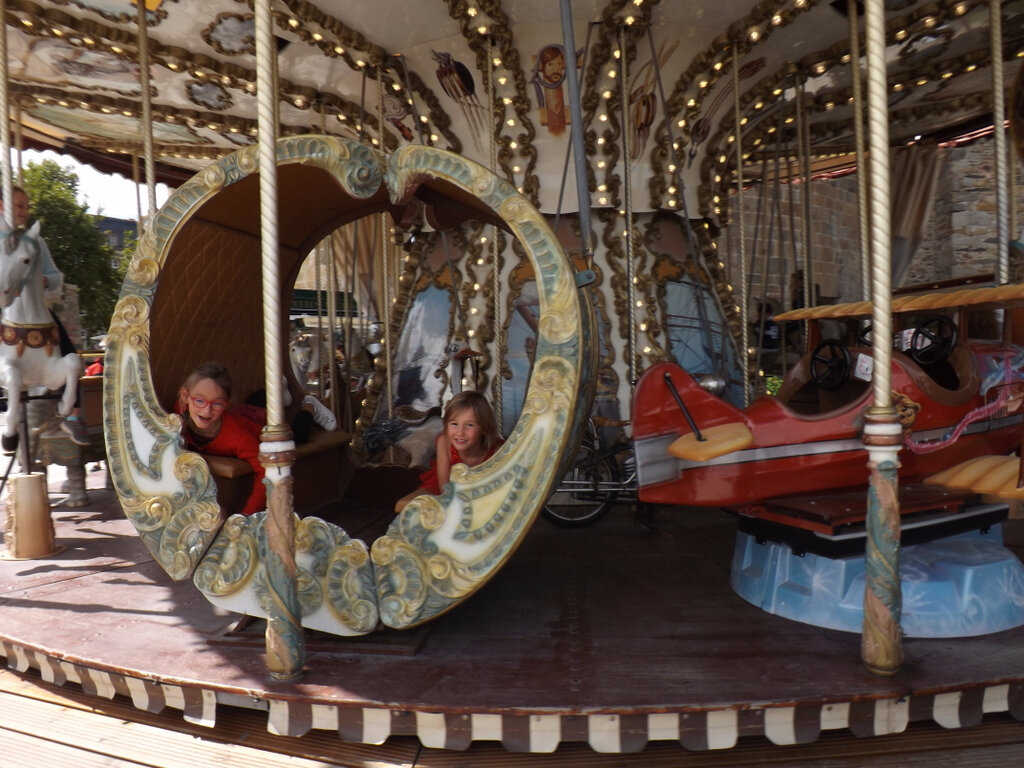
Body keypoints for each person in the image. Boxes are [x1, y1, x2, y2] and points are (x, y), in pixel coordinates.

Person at [176, 361, 336, 516]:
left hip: (262, 425)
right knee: (252, 405)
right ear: (185, 397)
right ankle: (278, 389)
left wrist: (248, 514)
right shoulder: (178, 413)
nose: (207, 410)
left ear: (226, 404)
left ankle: (310, 406)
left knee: (297, 435)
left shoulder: (238, 438)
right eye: (199, 400)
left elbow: (265, 472)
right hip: (244, 413)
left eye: (217, 404)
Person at [0, 185, 89, 445]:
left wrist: (44, 281)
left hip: (32, 309)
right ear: (3, 205)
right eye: (19, 205)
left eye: (26, 206)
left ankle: (73, 415)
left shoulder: (34, 242)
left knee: (68, 349)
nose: (24, 211)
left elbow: (56, 275)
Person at [394, 390, 502, 513]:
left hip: (483, 493)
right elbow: (444, 489)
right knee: (403, 505)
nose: (460, 432)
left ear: (484, 428)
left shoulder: (497, 450)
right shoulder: (444, 442)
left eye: (469, 425)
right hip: (448, 488)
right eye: (454, 424)